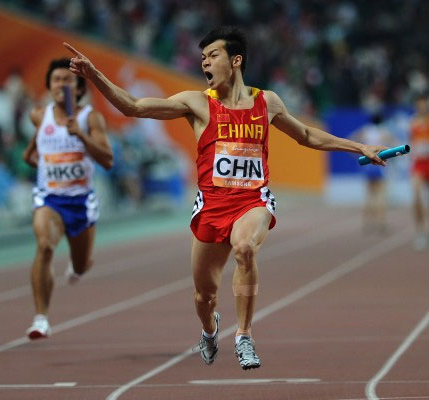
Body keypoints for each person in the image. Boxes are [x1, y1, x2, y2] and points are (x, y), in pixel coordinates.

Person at [63, 26, 387, 370]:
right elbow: (133, 106)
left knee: (246, 248)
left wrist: (359, 147)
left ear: (235, 61)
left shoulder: (268, 102)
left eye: (212, 55)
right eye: (201, 58)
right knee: (205, 296)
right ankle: (209, 328)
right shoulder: (197, 103)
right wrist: (94, 74)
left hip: (252, 202)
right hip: (211, 208)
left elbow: (306, 134)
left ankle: (244, 335)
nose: (204, 63)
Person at [22, 58, 113, 339]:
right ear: (49, 87)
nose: (62, 84)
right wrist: (42, 165)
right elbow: (32, 151)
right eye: (56, 79)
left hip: (81, 201)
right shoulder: (39, 115)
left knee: (83, 263)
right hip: (50, 199)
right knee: (45, 246)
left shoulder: (90, 118)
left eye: (68, 79)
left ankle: (78, 265)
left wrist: (82, 137)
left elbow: (107, 160)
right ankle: (40, 319)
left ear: (79, 87)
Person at [350, 113, 394, 233]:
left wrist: (356, 154)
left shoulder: (366, 130)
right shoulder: (384, 131)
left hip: (368, 166)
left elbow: (352, 138)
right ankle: (382, 223)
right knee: (380, 195)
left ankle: (366, 224)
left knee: (368, 196)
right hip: (379, 166)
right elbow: (393, 145)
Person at [409, 92, 429, 250]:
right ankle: (420, 233)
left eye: (424, 104)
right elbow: (411, 143)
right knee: (416, 197)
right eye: (419, 104)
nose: (422, 107)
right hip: (418, 163)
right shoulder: (413, 123)